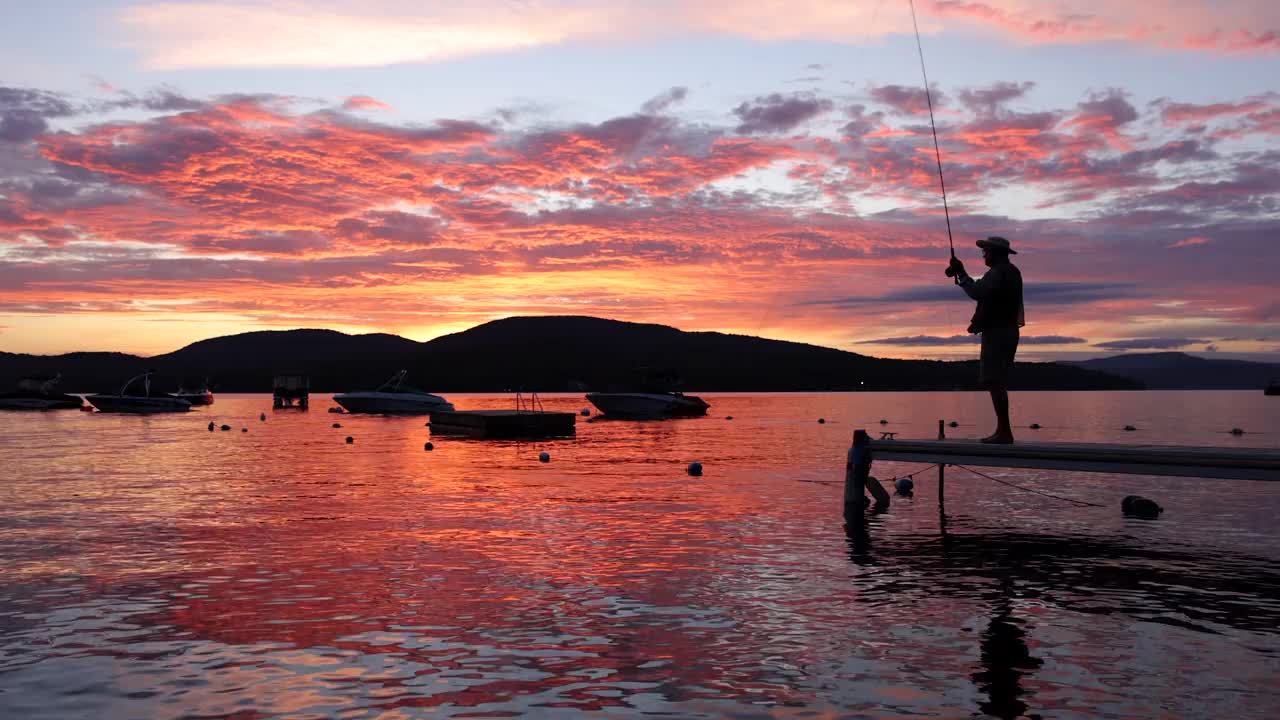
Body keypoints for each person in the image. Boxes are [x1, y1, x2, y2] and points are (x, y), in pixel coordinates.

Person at [947, 236, 1024, 444]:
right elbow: (992, 300)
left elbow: (977, 292)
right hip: (1004, 331)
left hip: (998, 333)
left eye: (986, 251)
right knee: (996, 381)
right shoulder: (1011, 272)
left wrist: (961, 273)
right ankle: (1002, 430)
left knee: (995, 381)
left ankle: (1004, 432)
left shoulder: (999, 273)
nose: (984, 255)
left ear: (996, 253)